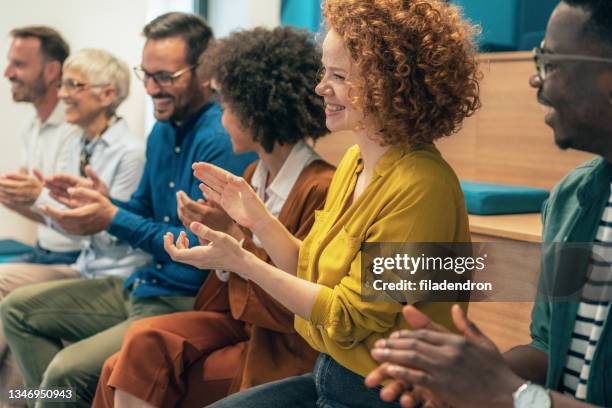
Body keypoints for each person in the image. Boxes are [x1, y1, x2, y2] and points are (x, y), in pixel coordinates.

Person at [164, 0, 481, 406]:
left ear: (390, 84)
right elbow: (311, 270)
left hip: (385, 395)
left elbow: (346, 317)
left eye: (338, 76)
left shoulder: (422, 186)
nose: (320, 88)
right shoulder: (353, 162)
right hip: (332, 372)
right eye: (323, 72)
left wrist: (242, 262)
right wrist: (257, 219)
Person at [1, 12, 256, 408]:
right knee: (17, 310)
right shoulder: (161, 131)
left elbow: (198, 247)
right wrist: (102, 203)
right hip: (143, 283)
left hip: (184, 297)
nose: (152, 89)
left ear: (205, 73)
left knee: (64, 371)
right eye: (147, 74)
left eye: (166, 77)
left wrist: (110, 215)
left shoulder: (220, 138)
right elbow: (141, 209)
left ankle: (52, 399)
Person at [366, 1, 612, 407]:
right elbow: (549, 348)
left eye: (549, 62)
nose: (537, 80)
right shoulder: (572, 199)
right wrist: (469, 371)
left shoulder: (424, 181)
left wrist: (509, 394)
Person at [92, 26, 335, 408]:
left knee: (125, 365)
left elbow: (293, 298)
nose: (220, 120)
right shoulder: (255, 174)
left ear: (257, 112)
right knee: (131, 352)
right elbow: (238, 276)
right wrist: (220, 232)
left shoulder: (319, 186)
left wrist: (233, 244)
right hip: (242, 319)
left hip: (281, 339)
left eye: (227, 108)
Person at [0, 47, 148, 400]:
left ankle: (31, 401)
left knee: (17, 305)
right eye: (63, 84)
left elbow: (115, 233)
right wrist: (28, 200)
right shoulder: (81, 143)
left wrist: (37, 198)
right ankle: (23, 400)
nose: (62, 93)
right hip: (87, 265)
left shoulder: (131, 152)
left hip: (115, 274)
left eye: (73, 85)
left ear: (108, 94)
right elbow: (73, 222)